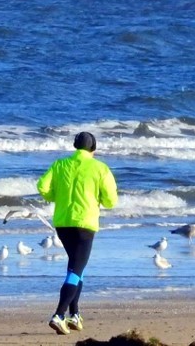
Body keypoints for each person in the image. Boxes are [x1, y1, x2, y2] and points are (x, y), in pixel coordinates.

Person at [37, 131, 118, 335]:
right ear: (94, 149)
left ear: (75, 146)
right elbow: (111, 200)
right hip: (85, 224)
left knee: (75, 267)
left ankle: (75, 315)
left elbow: (42, 186)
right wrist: (98, 198)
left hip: (63, 223)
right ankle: (59, 314)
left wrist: (54, 196)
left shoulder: (60, 164)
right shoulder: (100, 168)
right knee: (76, 269)